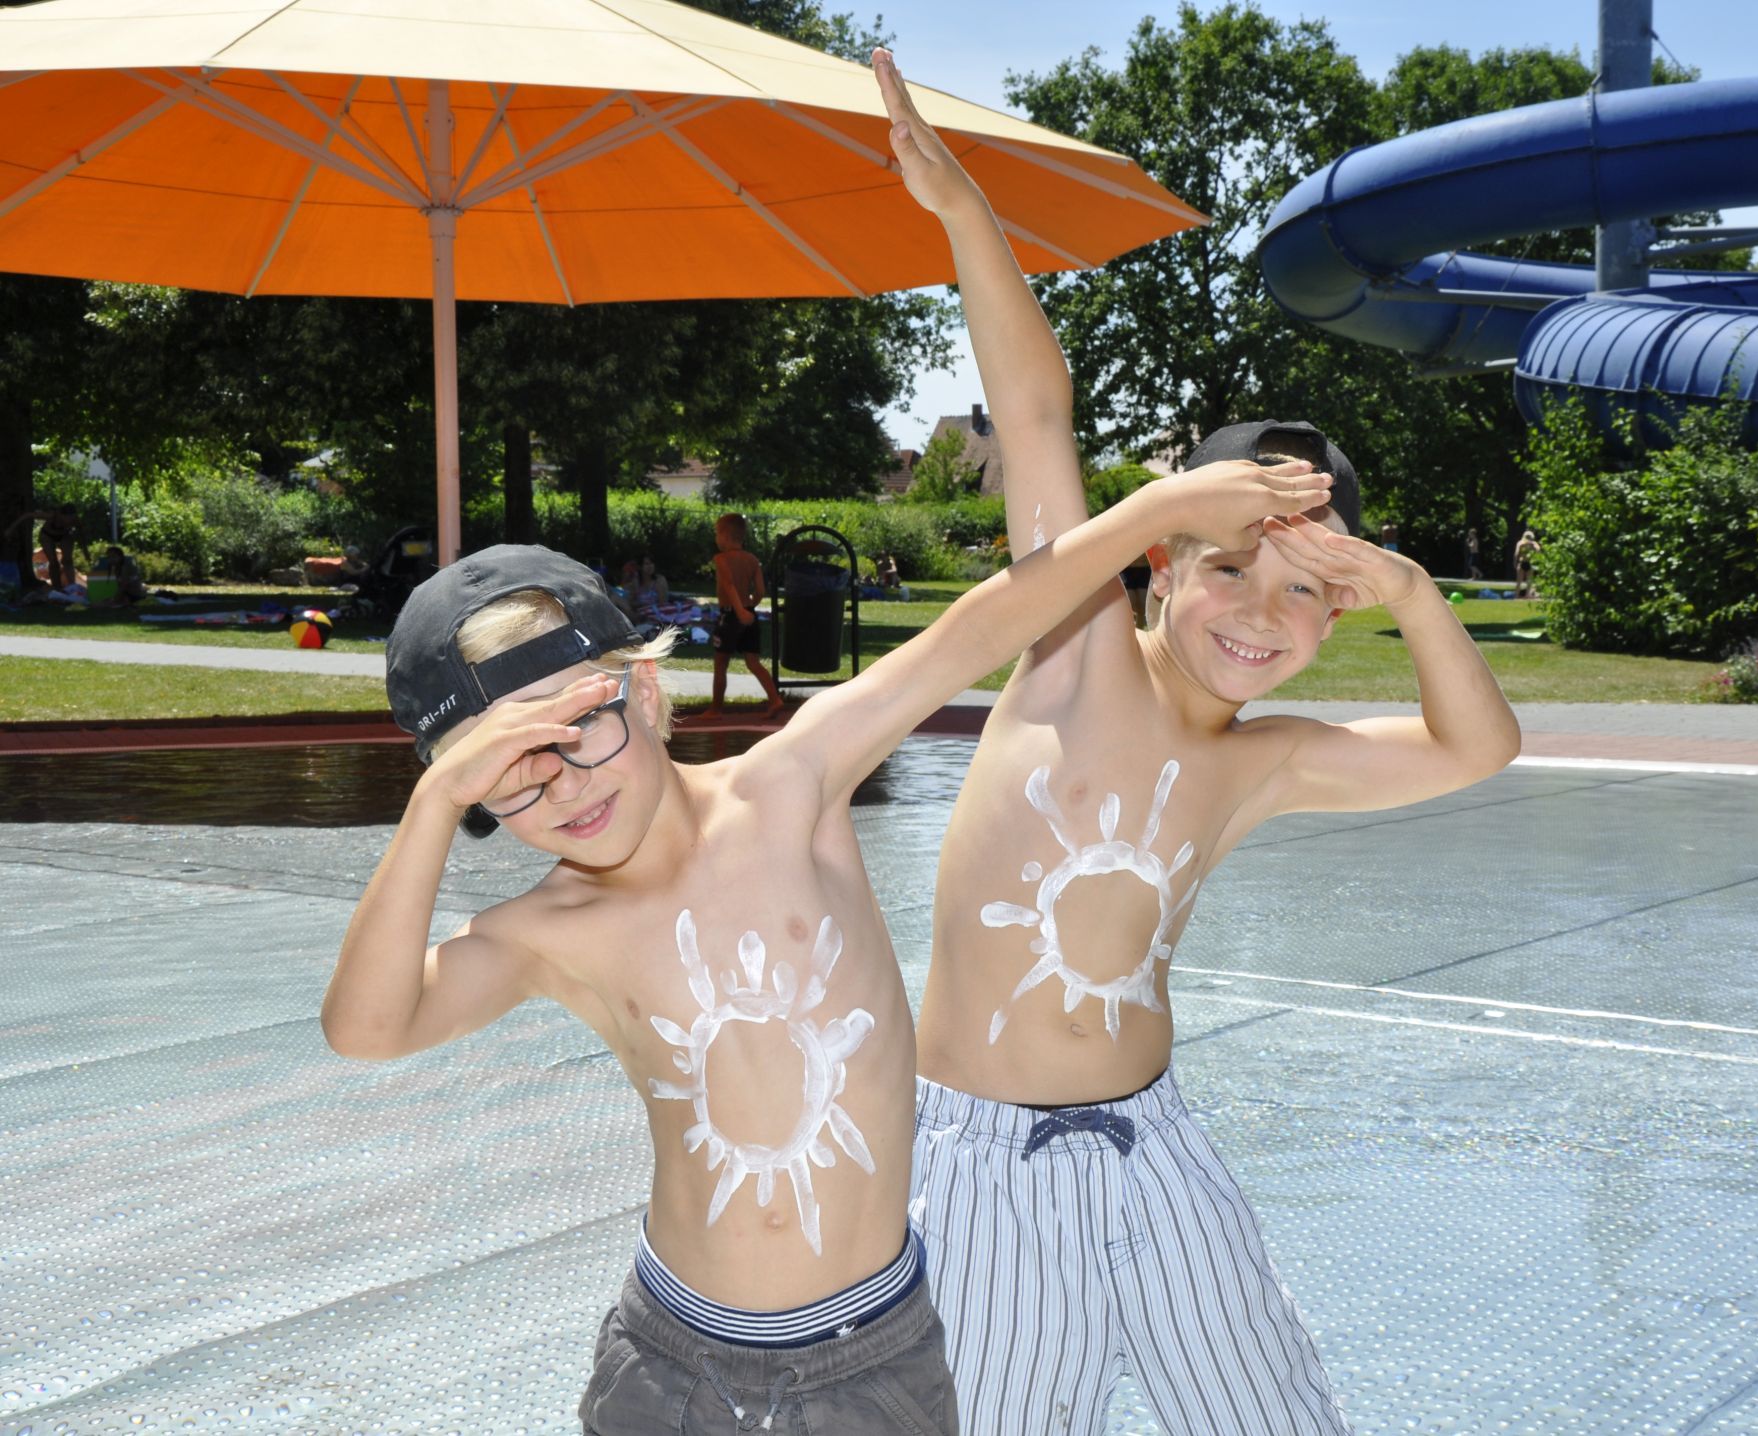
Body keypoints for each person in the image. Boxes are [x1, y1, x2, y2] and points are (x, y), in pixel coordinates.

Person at [320, 443, 1324, 1432]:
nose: (563, 783)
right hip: (670, 1363)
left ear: (646, 690)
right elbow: (367, 1027)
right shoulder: (549, 928)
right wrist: (431, 804)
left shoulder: (790, 786)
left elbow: (991, 620)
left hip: (870, 1361)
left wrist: (1160, 512)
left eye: (576, 728)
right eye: (507, 775)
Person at [876, 53, 1519, 1436]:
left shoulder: (1261, 759)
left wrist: (1407, 590)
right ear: (1160, 563)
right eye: (1227, 567)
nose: (1258, 612)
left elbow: (1473, 747)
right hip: (986, 1165)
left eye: (1304, 592)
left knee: (1274, 1416)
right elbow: (1036, 410)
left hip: (1155, 1144)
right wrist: (964, 216)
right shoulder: (1075, 652)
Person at [713, 513, 785, 719]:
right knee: (753, 661)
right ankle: (775, 699)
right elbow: (761, 590)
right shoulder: (752, 559)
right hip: (749, 614)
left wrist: (739, 610)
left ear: (726, 536)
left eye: (717, 534)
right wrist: (750, 606)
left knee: (721, 662)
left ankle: (715, 709)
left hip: (731, 614)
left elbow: (729, 585)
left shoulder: (721, 559)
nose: (716, 539)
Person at [1513, 528, 1542, 597]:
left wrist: (1515, 563)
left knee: (1520, 582)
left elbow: (1516, 554)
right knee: (1526, 583)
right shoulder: (1521, 543)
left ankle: (1520, 596)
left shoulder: (1525, 543)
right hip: (1525, 563)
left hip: (1524, 563)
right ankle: (1523, 595)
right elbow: (1516, 553)